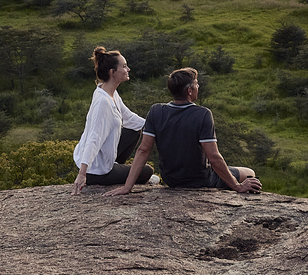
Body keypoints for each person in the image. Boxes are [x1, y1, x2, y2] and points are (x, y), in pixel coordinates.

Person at [106, 67, 261, 195]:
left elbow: (143, 150)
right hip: (201, 181)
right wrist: (237, 186)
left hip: (171, 180)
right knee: (249, 173)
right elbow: (213, 157)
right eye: (196, 84)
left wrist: (127, 187)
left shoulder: (156, 111)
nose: (198, 87)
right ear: (189, 90)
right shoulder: (203, 114)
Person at [72, 47, 156, 195]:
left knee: (134, 129)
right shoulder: (103, 102)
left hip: (100, 160)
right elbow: (94, 137)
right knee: (147, 171)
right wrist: (82, 174)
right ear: (113, 72)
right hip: (96, 171)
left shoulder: (109, 92)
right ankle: (113, 173)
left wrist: (160, 127)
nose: (128, 69)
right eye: (124, 66)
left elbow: (130, 119)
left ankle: (116, 167)